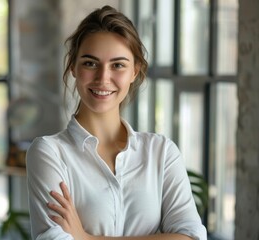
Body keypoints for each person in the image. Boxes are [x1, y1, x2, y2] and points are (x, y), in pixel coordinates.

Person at [26, 5, 207, 240]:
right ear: (73, 67)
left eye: (118, 65)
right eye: (90, 63)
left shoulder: (161, 153)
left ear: (135, 71)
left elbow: (192, 236)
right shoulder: (49, 153)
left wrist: (88, 238)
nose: (103, 78)